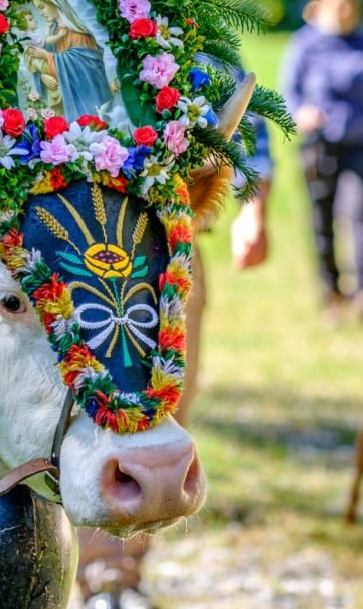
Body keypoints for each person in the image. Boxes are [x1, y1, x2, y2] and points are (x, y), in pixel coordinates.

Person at [74, 69, 274, 609]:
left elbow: (241, 110)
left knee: (159, 406)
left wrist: (253, 207)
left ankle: (115, 573)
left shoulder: (165, 9)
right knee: (61, 405)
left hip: (167, 241)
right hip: (58, 246)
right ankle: (57, 566)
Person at [280, 0, 363, 323]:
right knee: (323, 221)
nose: (344, 7)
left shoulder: (362, 41)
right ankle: (332, 293)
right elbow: (288, 94)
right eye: (337, 0)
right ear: (320, 4)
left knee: (360, 216)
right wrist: (302, 113)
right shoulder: (304, 44)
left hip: (362, 142)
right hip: (320, 146)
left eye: (348, 0)